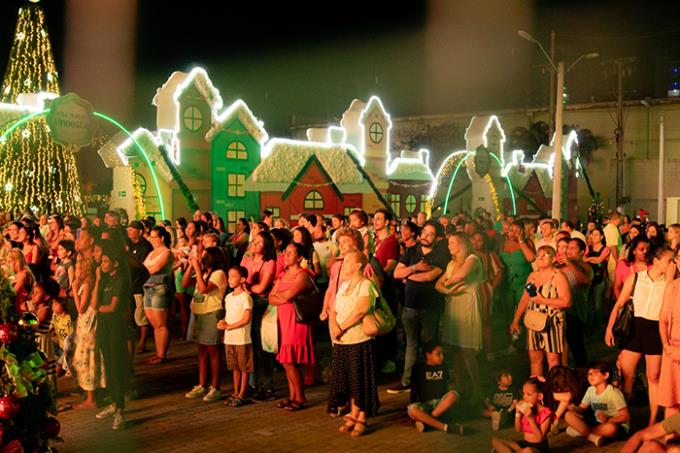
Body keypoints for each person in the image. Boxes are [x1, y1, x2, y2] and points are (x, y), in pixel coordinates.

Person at [605, 246, 676, 426]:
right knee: (627, 374)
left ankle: (653, 419)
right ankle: (624, 418)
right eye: (669, 260)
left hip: (655, 330)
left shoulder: (671, 283)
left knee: (653, 376)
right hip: (635, 328)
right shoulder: (636, 277)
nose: (672, 264)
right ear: (657, 260)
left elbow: (669, 308)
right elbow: (619, 304)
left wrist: (669, 279)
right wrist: (609, 328)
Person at [389, 220, 450, 393]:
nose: (425, 236)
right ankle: (407, 381)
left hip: (430, 306)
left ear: (438, 238)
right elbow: (396, 273)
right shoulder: (411, 251)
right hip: (410, 305)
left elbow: (429, 277)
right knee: (411, 344)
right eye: (424, 232)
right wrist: (415, 267)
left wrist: (408, 276)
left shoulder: (441, 254)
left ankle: (429, 380)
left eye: (430, 234)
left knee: (429, 344)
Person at [328, 250, 379, 437]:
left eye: (348, 261)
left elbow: (361, 310)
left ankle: (362, 416)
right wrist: (334, 325)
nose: (344, 263)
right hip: (342, 341)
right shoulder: (344, 286)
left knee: (360, 379)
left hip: (359, 339)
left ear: (358, 265)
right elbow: (333, 309)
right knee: (349, 380)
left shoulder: (366, 285)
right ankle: (354, 411)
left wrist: (341, 326)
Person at [435, 232, 483, 399]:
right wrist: (449, 289)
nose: (449, 246)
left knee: (467, 350)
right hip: (454, 305)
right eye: (449, 243)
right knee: (455, 349)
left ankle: (478, 388)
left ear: (462, 244)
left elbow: (460, 276)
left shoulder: (472, 259)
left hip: (467, 306)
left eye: (452, 243)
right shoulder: (450, 263)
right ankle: (460, 386)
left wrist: (448, 285)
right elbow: (438, 285)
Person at [510, 246, 571, 378]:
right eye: (538, 255)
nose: (540, 258)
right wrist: (515, 320)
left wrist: (542, 300)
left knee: (553, 358)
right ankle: (537, 386)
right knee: (535, 357)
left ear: (553, 258)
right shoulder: (533, 276)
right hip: (534, 320)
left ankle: (554, 388)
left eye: (545, 255)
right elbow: (524, 299)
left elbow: (566, 302)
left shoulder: (558, 276)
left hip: (552, 321)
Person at [268, 243, 314, 411]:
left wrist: (279, 296)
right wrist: (281, 297)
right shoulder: (283, 275)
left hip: (296, 321)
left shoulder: (302, 275)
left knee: (290, 361)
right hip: (283, 320)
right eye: (285, 253)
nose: (285, 256)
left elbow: (288, 296)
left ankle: (300, 397)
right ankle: (293, 395)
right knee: (287, 361)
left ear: (299, 257)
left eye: (290, 253)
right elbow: (270, 298)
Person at [92, 243, 131, 430]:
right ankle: (114, 403)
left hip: (116, 328)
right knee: (108, 366)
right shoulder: (105, 279)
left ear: (115, 263)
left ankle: (120, 409)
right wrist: (98, 281)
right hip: (104, 327)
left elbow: (112, 307)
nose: (102, 264)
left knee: (116, 367)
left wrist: (99, 308)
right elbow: (93, 304)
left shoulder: (120, 279)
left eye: (106, 261)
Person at [184, 247, 228, 402]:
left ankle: (215, 387)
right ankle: (202, 384)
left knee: (213, 351)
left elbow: (203, 289)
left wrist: (196, 266)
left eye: (204, 255)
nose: (201, 257)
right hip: (198, 313)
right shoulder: (203, 273)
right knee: (201, 351)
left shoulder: (219, 274)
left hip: (211, 313)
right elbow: (184, 284)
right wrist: (191, 266)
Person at [241, 231, 277, 400]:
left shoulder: (269, 263)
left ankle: (267, 385)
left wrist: (246, 286)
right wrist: (248, 286)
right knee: (248, 343)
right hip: (246, 301)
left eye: (260, 242)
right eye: (254, 241)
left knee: (261, 345)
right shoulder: (247, 259)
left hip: (260, 304)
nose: (255, 244)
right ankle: (251, 383)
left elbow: (262, 288)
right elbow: (240, 278)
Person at [564, 361, 630, 447]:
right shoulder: (590, 390)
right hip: (597, 422)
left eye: (594, 373)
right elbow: (581, 409)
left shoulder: (613, 393)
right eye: (589, 374)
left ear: (605, 375)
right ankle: (592, 436)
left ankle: (582, 432)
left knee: (611, 428)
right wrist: (574, 408)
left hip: (615, 424)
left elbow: (626, 416)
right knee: (569, 415)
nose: (590, 376)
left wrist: (608, 420)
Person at [407, 341, 463, 434]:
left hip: (439, 404)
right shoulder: (418, 368)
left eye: (443, 354)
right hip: (425, 404)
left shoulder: (443, 367)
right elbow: (414, 388)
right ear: (428, 355)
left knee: (453, 395)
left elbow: (448, 387)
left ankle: (428, 421)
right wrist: (413, 403)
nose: (442, 357)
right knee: (412, 409)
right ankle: (445, 427)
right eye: (438, 354)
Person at [218, 265, 254, 407]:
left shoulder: (246, 297)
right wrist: (223, 324)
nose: (230, 279)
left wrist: (229, 327)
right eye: (229, 276)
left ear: (242, 279)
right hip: (230, 337)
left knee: (244, 367)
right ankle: (235, 391)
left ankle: (242, 393)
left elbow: (246, 319)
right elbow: (228, 316)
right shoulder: (228, 297)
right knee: (234, 367)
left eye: (233, 276)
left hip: (242, 338)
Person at [491, 377, 553, 453]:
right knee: (495, 441)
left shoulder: (546, 413)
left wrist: (530, 418)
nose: (524, 397)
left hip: (538, 448)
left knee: (528, 451)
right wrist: (518, 414)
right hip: (525, 444)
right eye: (524, 393)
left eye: (528, 394)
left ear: (540, 396)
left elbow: (539, 438)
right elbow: (518, 429)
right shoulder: (527, 408)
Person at [499, 222, 536, 347]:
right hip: (508, 284)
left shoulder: (528, 243)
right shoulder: (502, 244)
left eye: (516, 230)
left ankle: (526, 343)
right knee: (509, 313)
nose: (513, 233)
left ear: (522, 231)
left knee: (524, 312)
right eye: (511, 230)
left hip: (525, 283)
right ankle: (512, 342)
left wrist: (521, 241)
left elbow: (531, 258)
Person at [559, 238, 593, 369]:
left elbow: (584, 280)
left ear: (582, 251)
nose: (569, 251)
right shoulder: (560, 265)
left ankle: (582, 373)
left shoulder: (585, 267)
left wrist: (570, 264)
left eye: (573, 248)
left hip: (576, 312)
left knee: (576, 344)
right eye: (567, 248)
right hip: (561, 310)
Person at [143, 226, 174, 364]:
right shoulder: (151, 253)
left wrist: (143, 270)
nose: (152, 240)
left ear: (162, 238)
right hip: (148, 289)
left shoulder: (167, 253)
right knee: (154, 324)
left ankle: (162, 354)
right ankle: (158, 352)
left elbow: (155, 269)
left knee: (161, 324)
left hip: (159, 288)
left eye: (154, 237)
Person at [471, 231, 502, 361]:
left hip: (484, 290)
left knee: (485, 319)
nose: (477, 242)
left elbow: (499, 273)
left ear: (485, 242)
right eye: (474, 239)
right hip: (470, 292)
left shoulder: (490, 256)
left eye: (480, 240)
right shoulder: (468, 255)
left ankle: (489, 350)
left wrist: (491, 288)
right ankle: (474, 348)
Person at [658, 277, 680, 418]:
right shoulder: (673, 285)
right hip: (672, 350)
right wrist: (666, 346)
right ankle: (670, 437)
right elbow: (663, 320)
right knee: (672, 400)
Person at [584, 228, 611, 337]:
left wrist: (589, 259)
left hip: (599, 279)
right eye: (592, 235)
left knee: (598, 306)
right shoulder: (588, 247)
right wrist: (592, 259)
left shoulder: (606, 248)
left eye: (596, 235)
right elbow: (583, 259)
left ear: (602, 237)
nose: (593, 237)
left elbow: (599, 260)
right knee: (589, 305)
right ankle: (589, 329)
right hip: (588, 279)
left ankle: (598, 330)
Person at [544, 365, 584, 433]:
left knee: (567, 409)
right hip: (576, 413)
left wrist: (549, 395)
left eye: (562, 386)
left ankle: (553, 421)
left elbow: (568, 397)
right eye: (556, 388)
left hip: (590, 413)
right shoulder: (553, 382)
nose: (559, 390)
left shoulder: (580, 380)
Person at [614, 236, 651, 301]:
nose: (645, 252)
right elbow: (617, 287)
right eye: (641, 249)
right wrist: (622, 304)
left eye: (647, 249)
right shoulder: (624, 265)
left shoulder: (652, 266)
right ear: (634, 251)